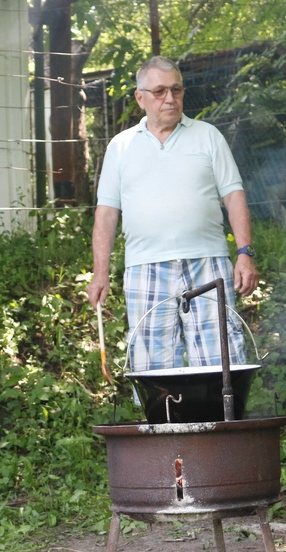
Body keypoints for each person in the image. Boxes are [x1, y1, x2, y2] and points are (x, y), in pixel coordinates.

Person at [85, 56, 257, 372]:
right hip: (144, 268)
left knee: (221, 366)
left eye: (176, 90)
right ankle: (168, 409)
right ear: (140, 98)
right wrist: (100, 273)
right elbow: (107, 213)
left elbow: (234, 196)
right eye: (159, 91)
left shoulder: (208, 136)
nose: (170, 98)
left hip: (208, 264)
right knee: (154, 371)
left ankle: (219, 408)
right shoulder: (121, 146)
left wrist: (245, 253)